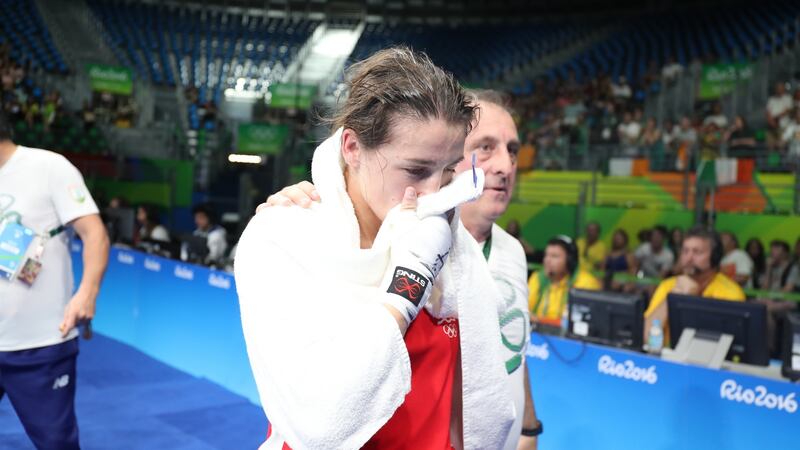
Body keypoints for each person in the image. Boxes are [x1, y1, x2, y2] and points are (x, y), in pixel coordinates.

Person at [235, 48, 516, 449]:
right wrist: (410, 283)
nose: (433, 192)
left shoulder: (454, 246)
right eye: (416, 170)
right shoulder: (283, 239)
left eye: (449, 169)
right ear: (352, 147)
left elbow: (481, 410)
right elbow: (321, 424)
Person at [0, 110, 109, 449]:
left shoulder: (48, 167)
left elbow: (95, 235)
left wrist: (86, 293)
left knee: (55, 443)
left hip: (40, 344)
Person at [643, 226, 745, 343]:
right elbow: (645, 336)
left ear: (714, 257)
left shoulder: (730, 292)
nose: (689, 258)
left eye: (697, 252)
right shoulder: (668, 285)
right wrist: (673, 297)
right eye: (685, 251)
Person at [528, 236, 601, 326]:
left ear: (570, 260)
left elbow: (580, 323)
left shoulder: (585, 283)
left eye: (554, 256)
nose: (547, 260)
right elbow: (524, 309)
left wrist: (539, 320)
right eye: (546, 255)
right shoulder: (537, 278)